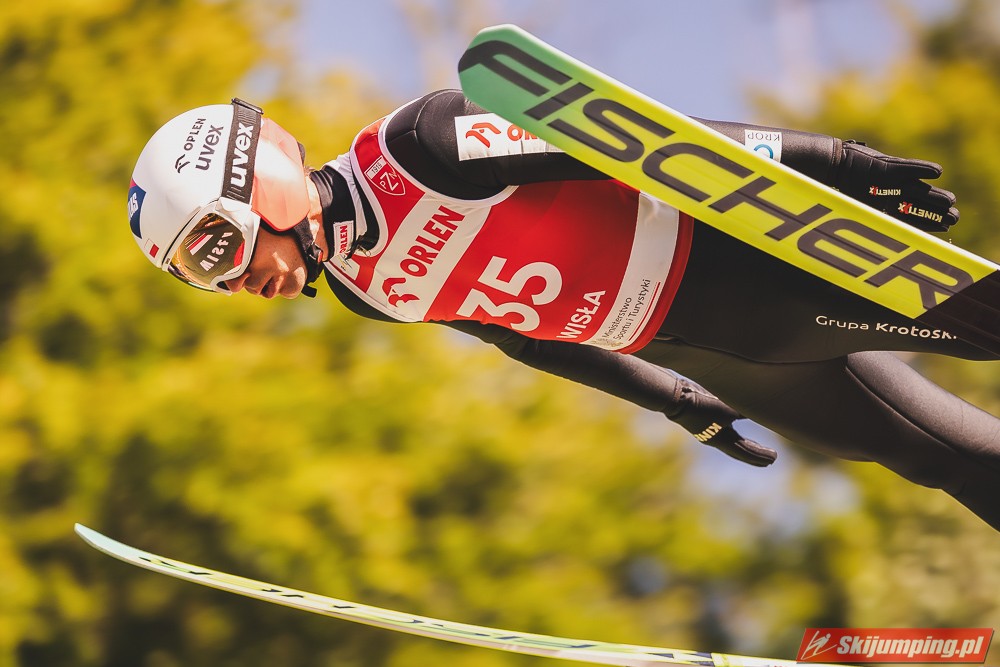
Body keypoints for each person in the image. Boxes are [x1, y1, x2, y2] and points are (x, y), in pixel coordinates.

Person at [127, 93, 1000, 531]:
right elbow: (520, 337)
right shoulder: (363, 288)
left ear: (260, 183)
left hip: (743, 274)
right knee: (950, 461)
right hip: (711, 354)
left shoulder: (422, 145)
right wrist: (673, 398)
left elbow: (653, 142)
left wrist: (834, 162)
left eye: (217, 248)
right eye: (203, 276)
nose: (232, 282)